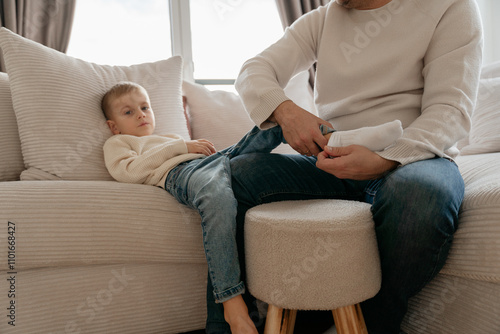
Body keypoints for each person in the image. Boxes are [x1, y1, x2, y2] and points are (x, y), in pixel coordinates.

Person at [205, 1, 483, 334]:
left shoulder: (450, 7)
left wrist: (384, 159)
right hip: (331, 160)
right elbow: (254, 69)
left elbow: (450, 110)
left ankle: (363, 323)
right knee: (230, 176)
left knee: (421, 196)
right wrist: (286, 110)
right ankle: (230, 326)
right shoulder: (322, 19)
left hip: (414, 159)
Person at [101, 82, 405, 334]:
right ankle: (232, 304)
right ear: (113, 126)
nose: (140, 115)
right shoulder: (121, 143)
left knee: (272, 128)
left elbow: (199, 155)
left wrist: (187, 147)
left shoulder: (165, 137)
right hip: (184, 174)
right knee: (218, 198)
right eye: (129, 112)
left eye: (144, 107)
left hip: (211, 162)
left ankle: (349, 140)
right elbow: (129, 170)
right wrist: (183, 147)